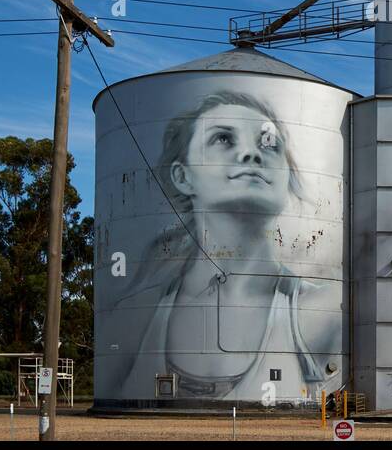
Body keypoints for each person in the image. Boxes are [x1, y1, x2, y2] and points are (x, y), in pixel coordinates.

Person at [110, 91, 337, 402]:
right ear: (182, 176)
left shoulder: (325, 310)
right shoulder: (136, 315)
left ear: (287, 175)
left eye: (269, 143)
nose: (251, 154)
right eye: (223, 139)